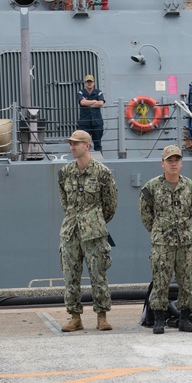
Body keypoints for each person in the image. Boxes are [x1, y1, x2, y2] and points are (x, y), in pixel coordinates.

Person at [58, 130, 118, 331]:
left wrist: (95, 221)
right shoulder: (65, 173)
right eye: (71, 144)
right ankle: (75, 317)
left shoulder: (103, 173)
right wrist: (76, 218)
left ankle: (102, 316)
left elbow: (110, 205)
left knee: (98, 274)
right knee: (70, 275)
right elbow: (65, 202)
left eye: (76, 144)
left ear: (87, 146)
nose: (72, 147)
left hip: (94, 233)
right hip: (70, 231)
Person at [139, 145, 192, 334]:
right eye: (169, 161)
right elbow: (145, 214)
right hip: (162, 242)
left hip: (185, 241)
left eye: (177, 160)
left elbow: (190, 210)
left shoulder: (190, 186)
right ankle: (158, 318)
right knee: (160, 280)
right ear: (162, 163)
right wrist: (159, 230)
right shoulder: (151, 187)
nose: (173, 164)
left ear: (181, 163)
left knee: (186, 280)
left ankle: (185, 318)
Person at [76, 74, 105, 152]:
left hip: (97, 122)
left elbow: (101, 103)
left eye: (91, 82)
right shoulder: (81, 93)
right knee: (84, 145)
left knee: (98, 145)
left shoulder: (98, 92)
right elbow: (82, 102)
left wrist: (87, 103)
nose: (89, 83)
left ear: (94, 83)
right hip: (85, 123)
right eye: (87, 82)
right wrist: (94, 101)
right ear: (85, 83)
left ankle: (99, 162)